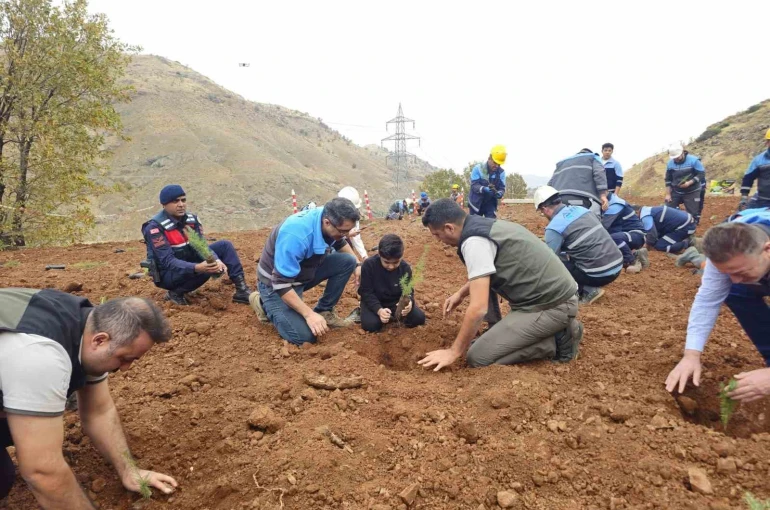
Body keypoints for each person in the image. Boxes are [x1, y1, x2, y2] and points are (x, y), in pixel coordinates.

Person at [0, 288, 177, 505]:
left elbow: (99, 412)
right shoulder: (40, 355)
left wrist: (129, 470)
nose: (126, 369)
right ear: (100, 341)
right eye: (124, 359)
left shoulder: (91, 326)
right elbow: (42, 471)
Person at [417, 199, 582, 371]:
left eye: (436, 234)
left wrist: (454, 351)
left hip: (552, 305)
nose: (437, 240)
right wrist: (461, 293)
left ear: (449, 228)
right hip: (547, 297)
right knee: (482, 342)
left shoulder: (474, 242)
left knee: (477, 357)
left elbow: (478, 308)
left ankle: (556, 341)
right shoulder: (481, 226)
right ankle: (520, 332)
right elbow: (485, 271)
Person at [665, 208, 770, 403]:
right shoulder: (726, 250)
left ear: (767, 249)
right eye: (728, 273)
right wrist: (691, 355)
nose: (735, 279)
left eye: (741, 271)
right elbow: (707, 301)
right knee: (737, 291)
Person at [250, 198, 361, 345]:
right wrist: (309, 315)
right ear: (327, 222)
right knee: (304, 337)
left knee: (348, 261)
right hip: (275, 285)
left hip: (303, 273)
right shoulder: (296, 236)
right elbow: (281, 284)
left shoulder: (327, 218)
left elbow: (339, 242)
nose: (347, 235)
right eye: (344, 231)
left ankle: (324, 311)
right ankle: (263, 303)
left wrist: (358, 264)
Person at [141, 184, 251, 306]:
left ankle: (242, 290)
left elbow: (202, 246)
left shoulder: (192, 220)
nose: (181, 204)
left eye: (183, 200)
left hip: (188, 263)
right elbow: (168, 261)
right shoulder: (155, 228)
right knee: (205, 269)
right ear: (164, 205)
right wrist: (197, 267)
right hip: (168, 274)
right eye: (175, 201)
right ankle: (176, 292)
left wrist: (215, 259)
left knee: (225, 245)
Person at [535, 186, 623, 305]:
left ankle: (587, 290)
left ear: (544, 208)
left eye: (541, 212)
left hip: (599, 275)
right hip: (617, 266)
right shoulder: (583, 210)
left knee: (554, 264)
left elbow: (548, 260)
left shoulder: (554, 228)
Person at [358, 234, 426, 332]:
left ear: (401, 257)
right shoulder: (369, 265)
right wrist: (379, 310)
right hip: (374, 300)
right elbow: (366, 292)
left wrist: (409, 303)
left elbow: (408, 291)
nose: (391, 266)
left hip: (396, 302)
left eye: (395, 263)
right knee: (371, 325)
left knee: (418, 319)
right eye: (386, 262)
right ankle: (364, 311)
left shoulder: (405, 268)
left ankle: (394, 316)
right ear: (379, 254)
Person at [548, 148, 609, 216]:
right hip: (579, 198)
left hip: (559, 199)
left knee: (562, 222)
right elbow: (599, 173)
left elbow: (550, 183)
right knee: (582, 222)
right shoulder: (593, 157)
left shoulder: (562, 163)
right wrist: (603, 195)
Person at [601, 193, 648, 273]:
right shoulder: (607, 203)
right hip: (625, 235)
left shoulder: (616, 205)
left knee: (613, 238)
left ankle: (632, 261)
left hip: (635, 234)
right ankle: (636, 253)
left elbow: (603, 227)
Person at [665, 143, 706, 225]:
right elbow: (668, 180)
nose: (676, 159)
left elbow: (701, 174)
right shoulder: (670, 164)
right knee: (668, 210)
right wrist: (668, 194)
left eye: (677, 157)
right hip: (676, 190)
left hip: (692, 191)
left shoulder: (694, 161)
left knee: (692, 213)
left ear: (682, 153)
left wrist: (689, 183)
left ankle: (690, 230)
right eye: (674, 158)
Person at [468, 145, 507, 218]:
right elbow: (474, 185)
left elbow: (502, 187)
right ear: (489, 158)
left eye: (499, 164)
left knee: (491, 224)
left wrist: (500, 192)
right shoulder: (478, 169)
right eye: (495, 162)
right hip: (476, 202)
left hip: (490, 202)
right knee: (474, 224)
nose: (497, 166)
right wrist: (483, 189)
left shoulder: (501, 172)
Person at [739, 129, 770, 210]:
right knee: (742, 217)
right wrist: (744, 198)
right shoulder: (759, 160)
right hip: (763, 200)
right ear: (767, 143)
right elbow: (748, 178)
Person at [337, 187, 368, 262]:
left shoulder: (353, 216)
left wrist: (364, 256)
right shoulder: (332, 216)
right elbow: (330, 240)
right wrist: (348, 234)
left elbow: (356, 238)